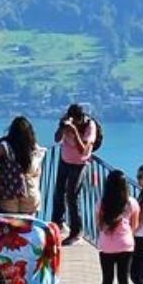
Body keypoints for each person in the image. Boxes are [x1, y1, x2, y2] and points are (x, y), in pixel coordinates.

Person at [50, 103, 102, 240]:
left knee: (72, 196)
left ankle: (76, 230)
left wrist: (74, 131)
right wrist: (62, 127)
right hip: (64, 161)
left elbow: (83, 150)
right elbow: (56, 139)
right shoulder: (66, 121)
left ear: (80, 119)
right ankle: (56, 223)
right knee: (59, 193)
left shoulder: (90, 126)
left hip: (79, 164)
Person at [95, 169, 138, 284]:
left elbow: (99, 225)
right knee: (123, 279)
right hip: (125, 245)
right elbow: (135, 224)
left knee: (107, 279)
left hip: (106, 246)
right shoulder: (131, 203)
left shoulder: (102, 202)